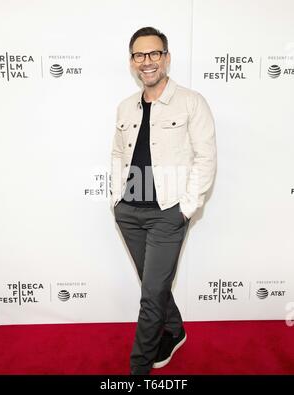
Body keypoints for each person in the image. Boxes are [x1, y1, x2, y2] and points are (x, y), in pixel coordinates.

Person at [110, 27, 217, 375]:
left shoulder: (191, 102)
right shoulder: (126, 106)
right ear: (132, 63)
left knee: (150, 295)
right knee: (153, 285)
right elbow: (116, 153)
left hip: (167, 214)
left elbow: (206, 158)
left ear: (166, 58)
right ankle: (175, 330)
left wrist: (185, 209)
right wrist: (116, 200)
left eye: (154, 53)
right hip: (129, 212)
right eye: (139, 55)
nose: (147, 61)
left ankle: (137, 370)